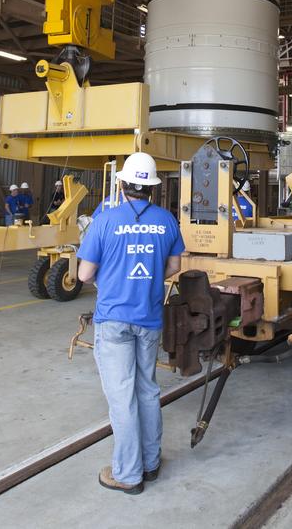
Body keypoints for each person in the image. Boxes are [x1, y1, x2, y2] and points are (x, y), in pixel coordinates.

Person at [77, 152, 185, 494]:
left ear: (122, 184)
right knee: (148, 390)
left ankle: (127, 474)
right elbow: (173, 267)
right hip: (149, 318)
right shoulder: (167, 221)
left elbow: (83, 274)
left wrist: (108, 279)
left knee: (122, 397)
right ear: (152, 187)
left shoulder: (105, 221)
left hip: (113, 320)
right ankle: (151, 464)